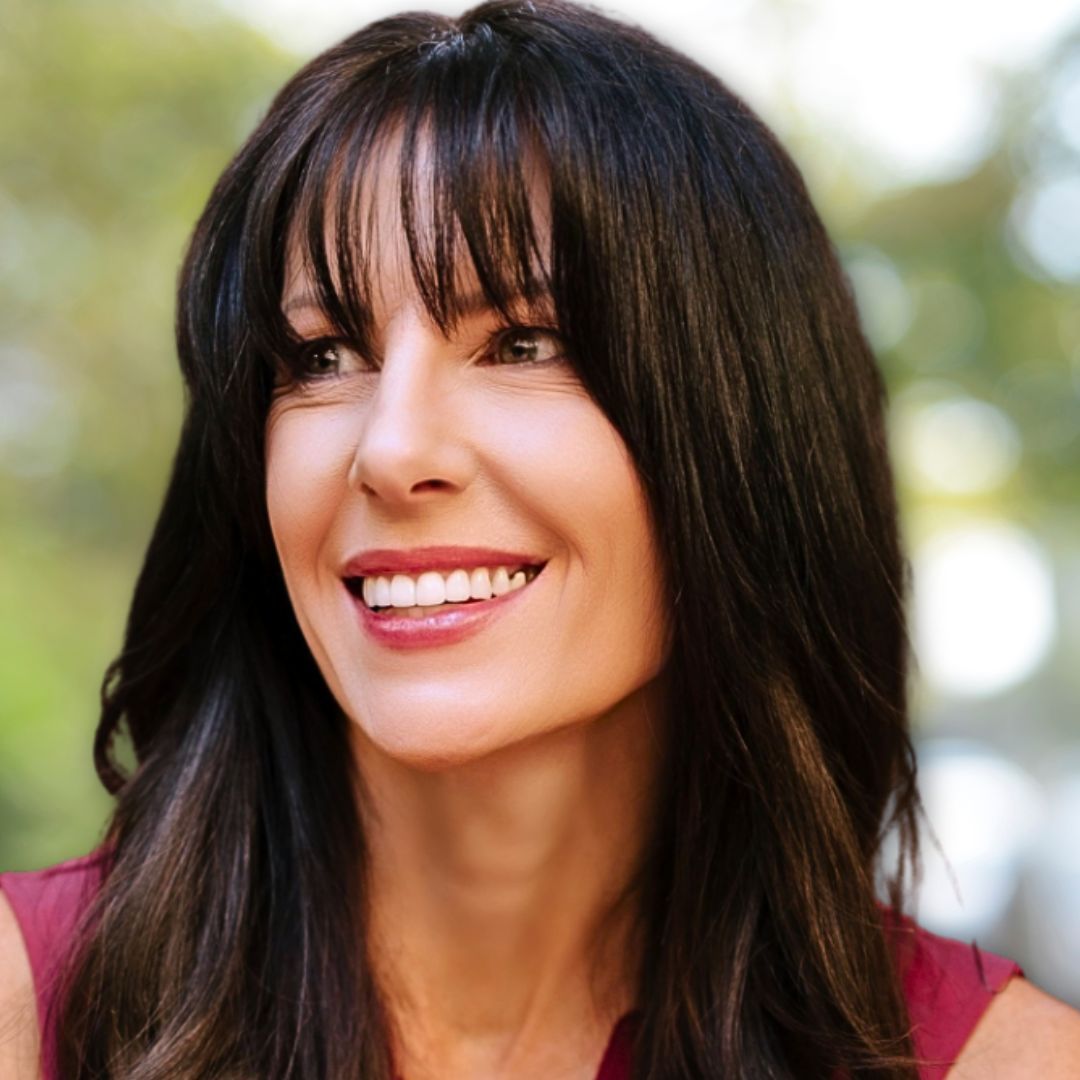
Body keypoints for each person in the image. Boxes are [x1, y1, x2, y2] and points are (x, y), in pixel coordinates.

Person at [2, 1, 1079, 1076]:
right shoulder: (25, 1007)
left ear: (742, 434)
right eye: (323, 355)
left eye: (523, 342)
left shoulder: (1004, 1063)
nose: (391, 448)